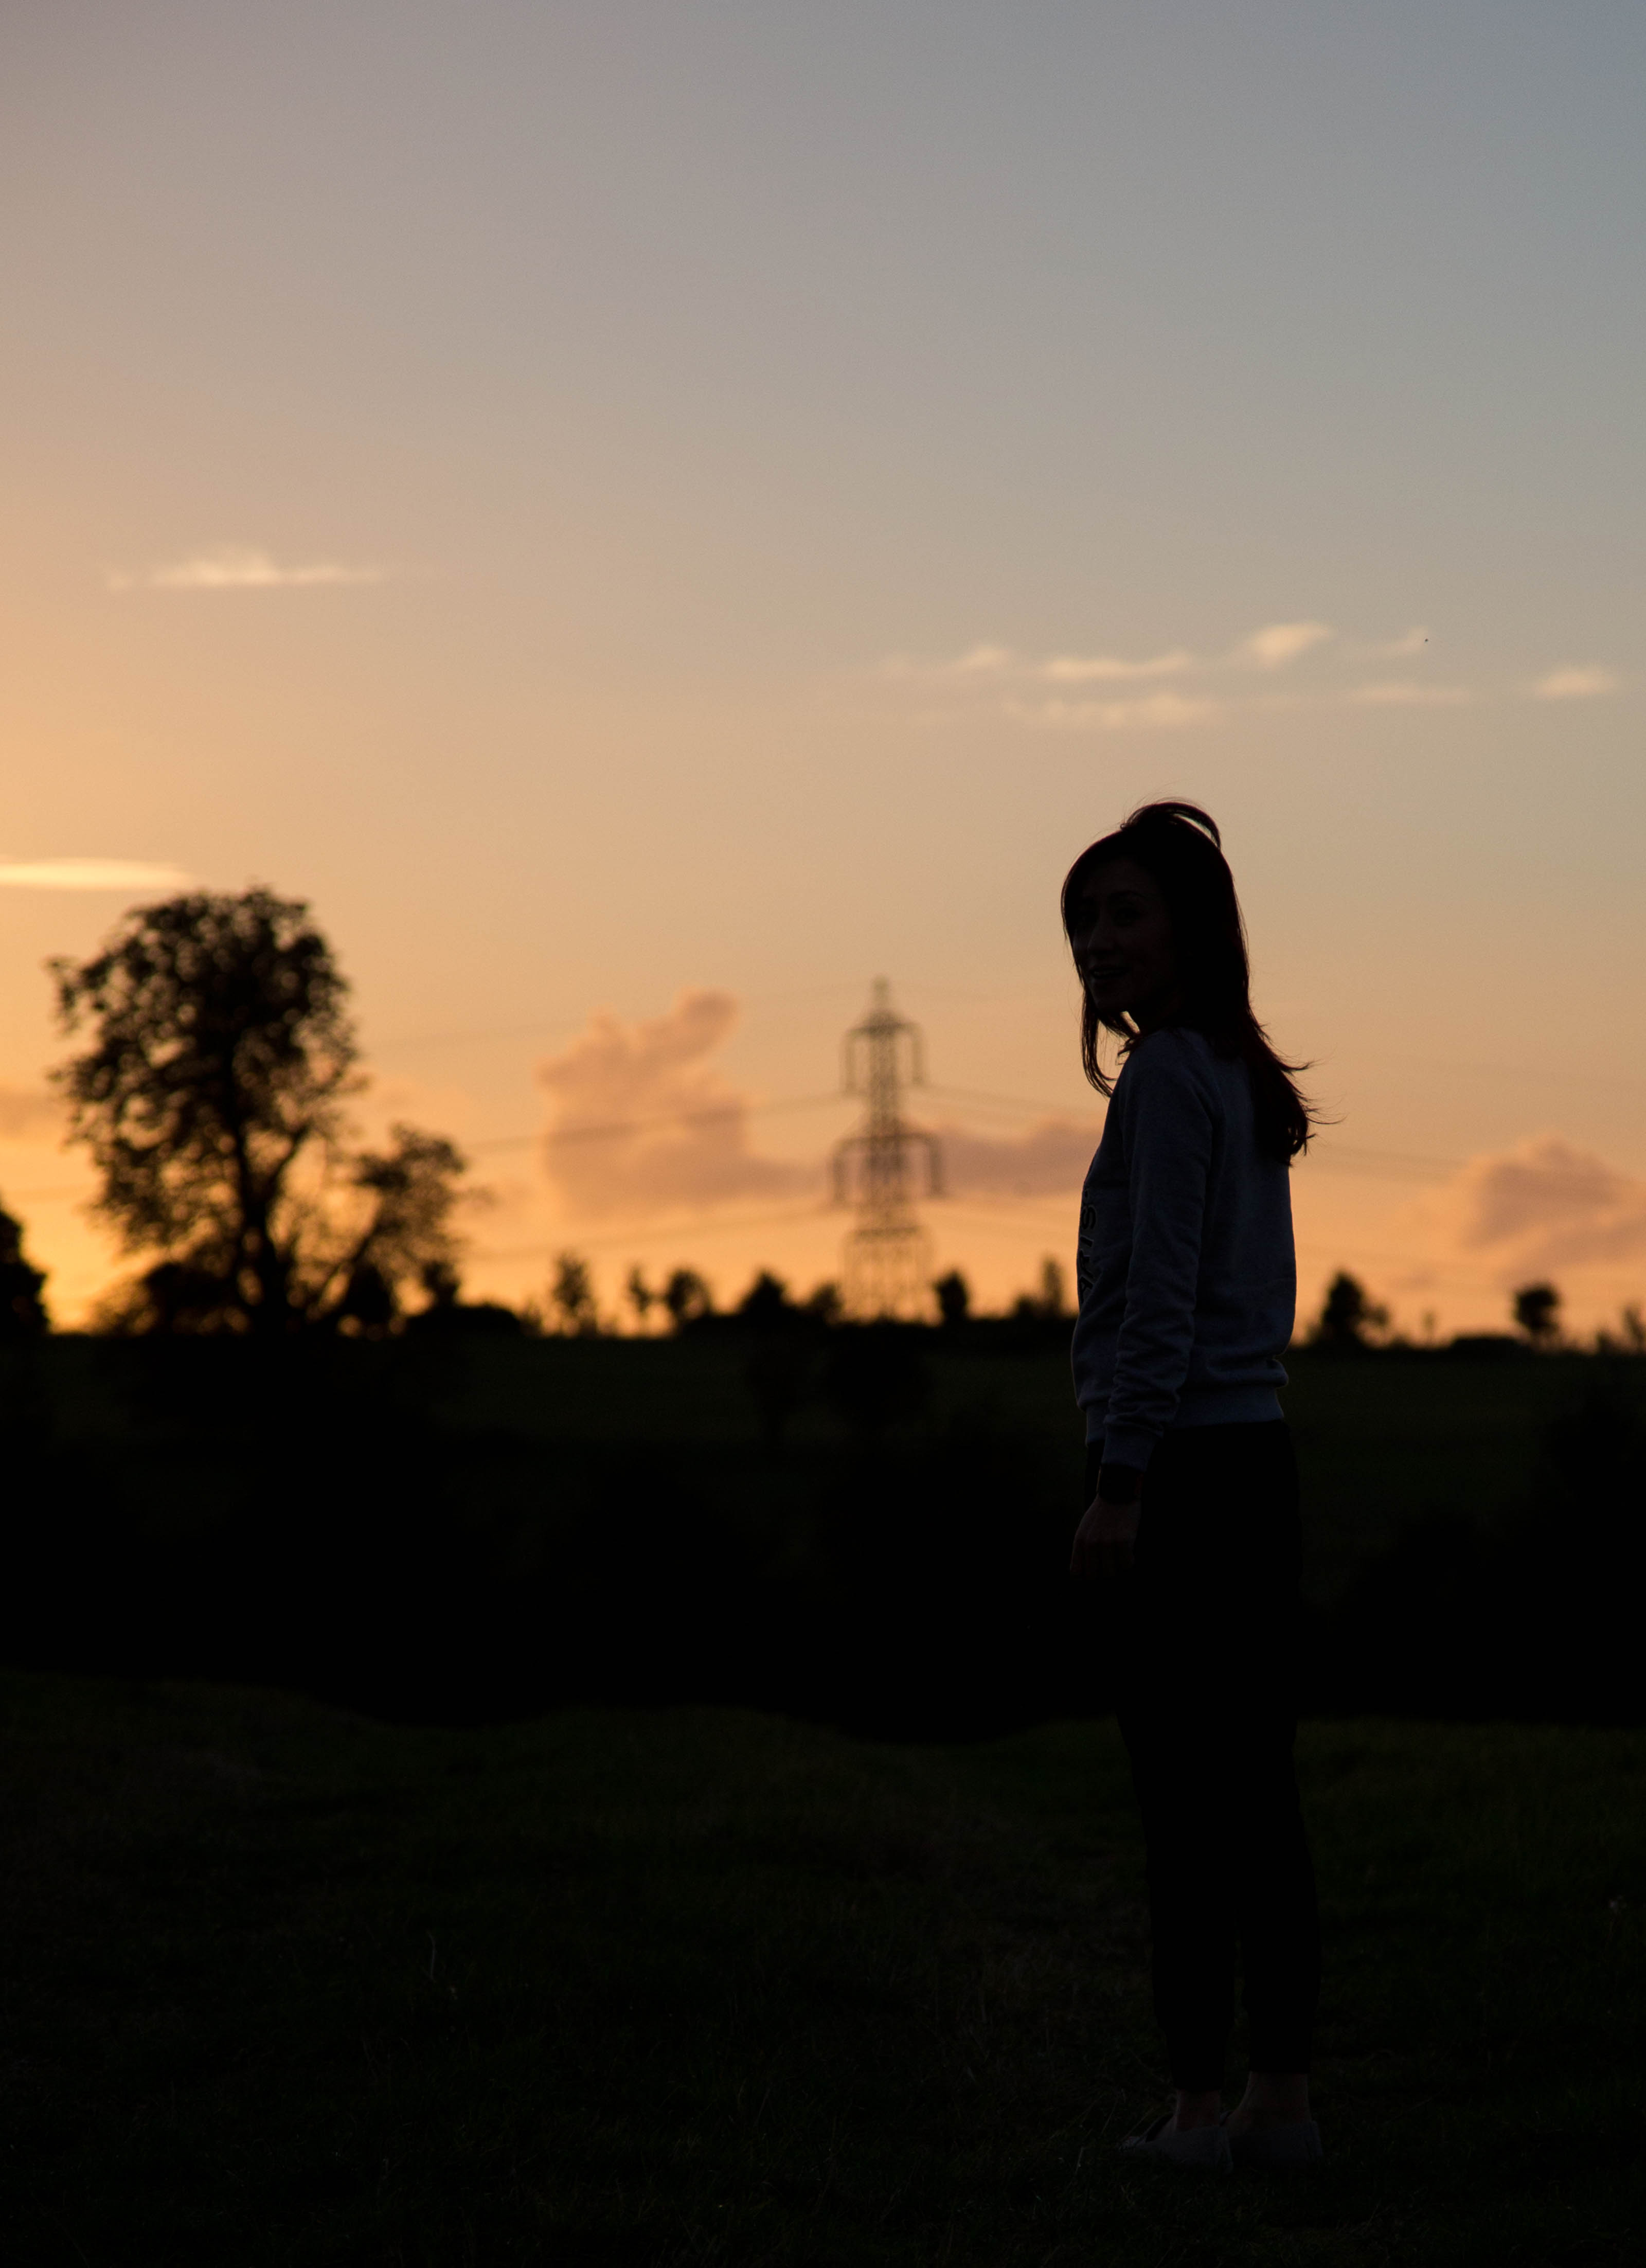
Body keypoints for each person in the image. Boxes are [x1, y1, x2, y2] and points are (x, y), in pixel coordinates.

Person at [1064, 800, 1322, 2173]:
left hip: (1181, 1471)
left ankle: (1197, 2108)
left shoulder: (1170, 1076)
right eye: (1086, 922)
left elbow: (1157, 1299)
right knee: (1257, 1795)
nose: (1099, 943)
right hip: (1255, 1462)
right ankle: (1282, 2106)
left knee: (1183, 1801)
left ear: (1191, 930)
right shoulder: (1234, 1070)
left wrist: (1121, 1479)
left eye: (1126, 914)